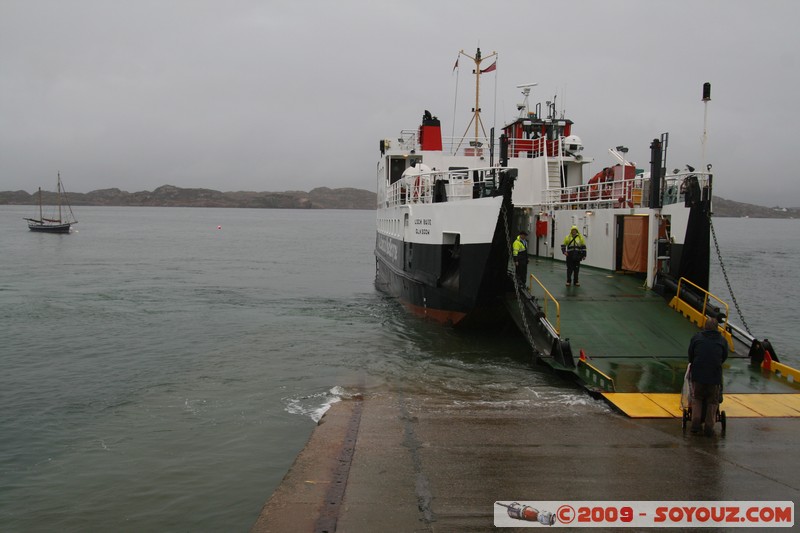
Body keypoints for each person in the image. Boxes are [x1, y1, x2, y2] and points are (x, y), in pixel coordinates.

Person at [687, 317, 729, 436]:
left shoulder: (696, 338)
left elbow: (691, 354)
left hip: (698, 374)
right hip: (714, 376)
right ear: (717, 328)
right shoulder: (722, 340)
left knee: (697, 398)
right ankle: (709, 428)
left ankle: (695, 424)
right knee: (712, 401)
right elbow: (724, 356)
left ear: (705, 327)